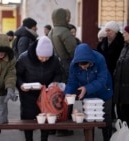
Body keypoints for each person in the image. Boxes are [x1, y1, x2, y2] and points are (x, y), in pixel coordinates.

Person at [16, 36, 62, 141]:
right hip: (28, 93)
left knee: (45, 118)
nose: (44, 60)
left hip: (46, 94)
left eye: (47, 58)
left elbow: (59, 74)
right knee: (28, 119)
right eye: (41, 57)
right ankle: (28, 139)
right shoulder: (24, 58)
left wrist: (55, 82)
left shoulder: (54, 60)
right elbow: (17, 75)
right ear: (36, 52)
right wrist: (21, 84)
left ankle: (44, 139)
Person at [64, 43, 113, 141]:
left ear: (91, 62)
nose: (83, 68)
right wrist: (68, 93)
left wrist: (87, 88)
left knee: (106, 117)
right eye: (81, 66)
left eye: (86, 65)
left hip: (104, 91)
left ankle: (107, 138)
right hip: (87, 94)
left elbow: (102, 79)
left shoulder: (99, 58)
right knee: (87, 118)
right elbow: (72, 81)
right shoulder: (73, 64)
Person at [48, 8, 77, 136]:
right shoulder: (65, 32)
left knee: (55, 96)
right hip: (66, 67)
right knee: (67, 96)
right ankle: (63, 127)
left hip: (53, 67)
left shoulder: (51, 32)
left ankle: (52, 126)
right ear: (63, 17)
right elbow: (74, 52)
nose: (69, 19)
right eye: (67, 16)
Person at [96, 21, 124, 121]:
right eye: (106, 30)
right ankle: (110, 118)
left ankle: (121, 121)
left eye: (109, 31)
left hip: (118, 74)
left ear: (115, 31)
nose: (107, 33)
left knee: (119, 99)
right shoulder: (103, 43)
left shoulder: (122, 43)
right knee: (108, 97)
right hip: (106, 74)